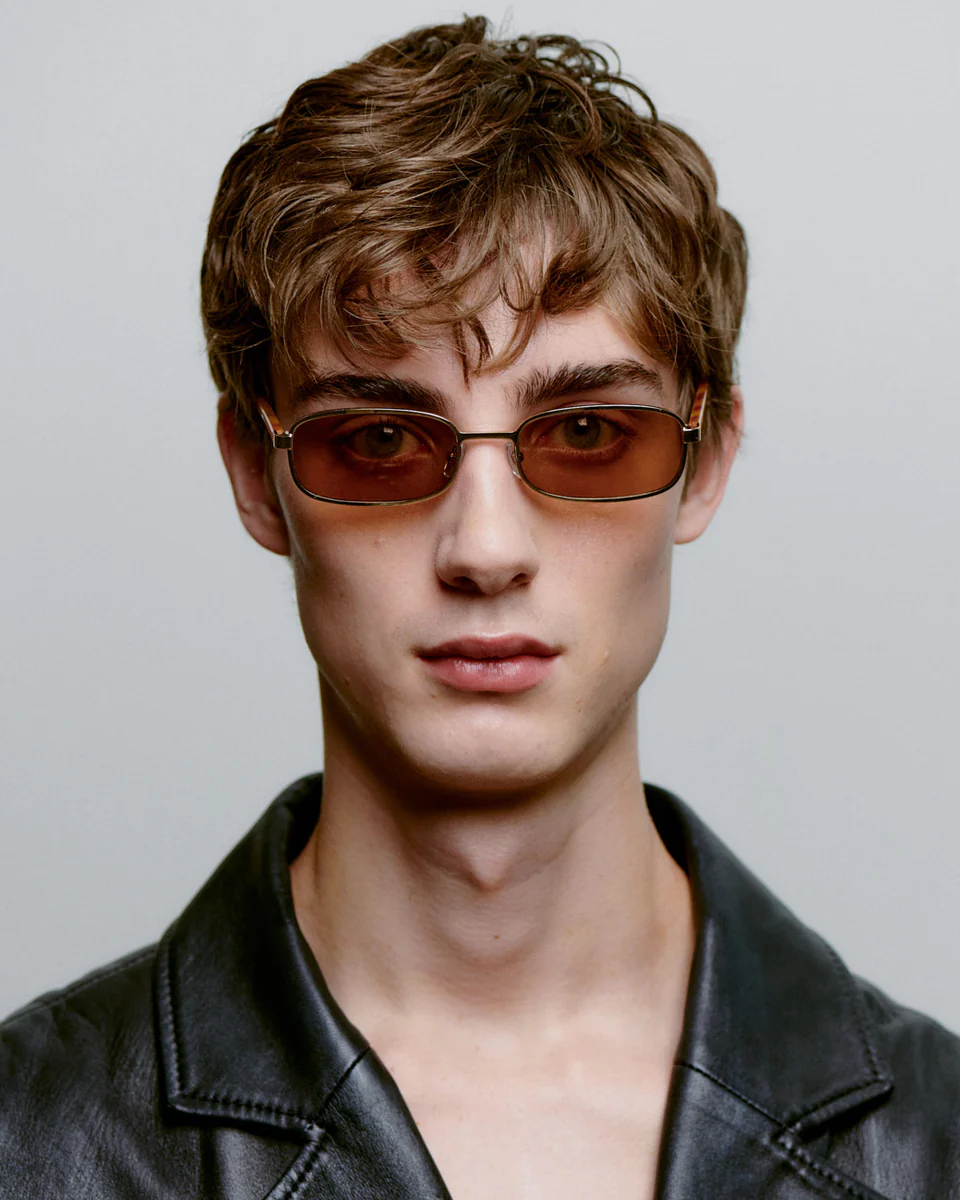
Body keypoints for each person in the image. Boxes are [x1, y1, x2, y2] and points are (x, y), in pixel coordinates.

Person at [1, 14, 957, 1198]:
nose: (487, 548)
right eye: (380, 440)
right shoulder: (29, 1143)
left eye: (589, 432)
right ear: (257, 474)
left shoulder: (937, 1146)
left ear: (706, 463)